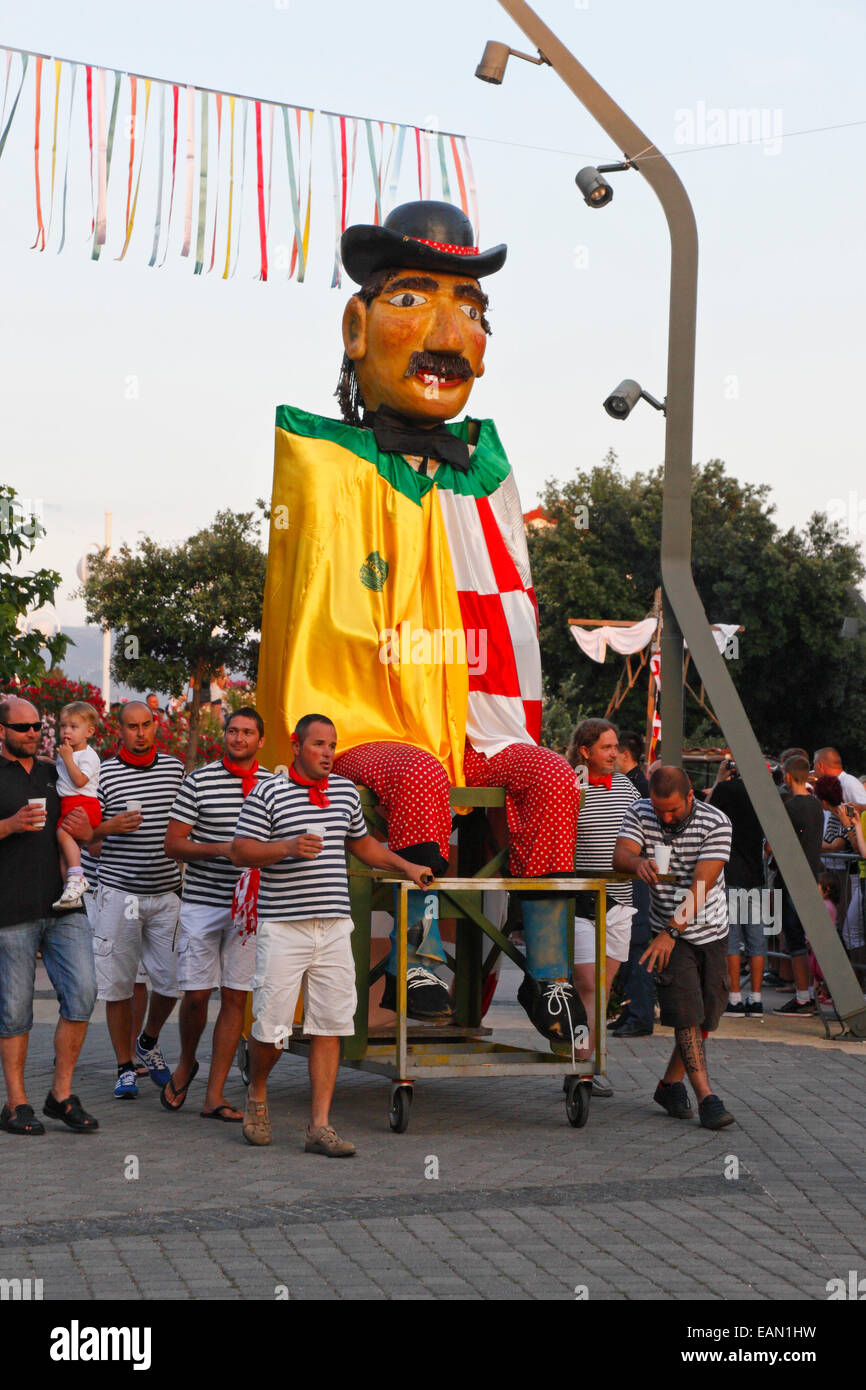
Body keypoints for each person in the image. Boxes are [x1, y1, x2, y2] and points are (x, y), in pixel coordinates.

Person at [257, 200, 584, 1054]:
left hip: (471, 720)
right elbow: (310, 622)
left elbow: (507, 609)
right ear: (356, 328)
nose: (450, 330)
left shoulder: (482, 471)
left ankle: (546, 975)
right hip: (364, 724)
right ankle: (423, 952)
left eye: (471, 310)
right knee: (413, 774)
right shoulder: (324, 464)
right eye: (414, 299)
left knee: (550, 778)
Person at [231, 714, 433, 1154]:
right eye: (319, 744)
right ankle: (258, 1092)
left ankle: (318, 1126)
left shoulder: (343, 791)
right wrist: (286, 847)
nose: (327, 753)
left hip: (335, 927)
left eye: (332, 745)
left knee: (330, 1026)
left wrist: (407, 866)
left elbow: (363, 845)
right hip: (283, 927)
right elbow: (239, 850)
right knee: (271, 1029)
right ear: (296, 745)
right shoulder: (268, 790)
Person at [162, 706, 272, 1120]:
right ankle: (187, 1060)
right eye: (232, 731)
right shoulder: (199, 781)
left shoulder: (272, 785)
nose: (238, 738)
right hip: (203, 903)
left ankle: (215, 1094)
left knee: (235, 997)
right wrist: (222, 850)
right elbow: (173, 844)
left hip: (251, 910)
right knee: (194, 996)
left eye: (247, 732)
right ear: (224, 736)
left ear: (261, 740)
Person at [612, 765, 735, 1130]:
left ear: (691, 796)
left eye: (673, 811)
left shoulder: (716, 821)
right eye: (659, 809)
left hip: (708, 929)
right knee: (686, 1015)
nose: (665, 817)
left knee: (706, 1017)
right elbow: (620, 855)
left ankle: (669, 1085)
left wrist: (671, 931)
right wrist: (638, 862)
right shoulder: (640, 811)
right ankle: (706, 1098)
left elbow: (702, 884)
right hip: (668, 931)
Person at [0, 696, 99, 1135]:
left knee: (83, 994)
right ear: (2, 731)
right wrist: (9, 824)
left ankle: (60, 1095)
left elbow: (88, 840)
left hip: (63, 906)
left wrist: (90, 833)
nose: (34, 734)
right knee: (14, 1011)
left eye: (38, 726)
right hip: (11, 909)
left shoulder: (54, 774)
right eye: (23, 728)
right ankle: (16, 1104)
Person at [89, 701, 184, 1099]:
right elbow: (87, 841)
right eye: (132, 726)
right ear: (120, 730)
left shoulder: (175, 769)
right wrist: (109, 825)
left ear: (155, 726)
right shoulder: (104, 774)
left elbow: (187, 822)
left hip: (165, 893)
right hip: (119, 893)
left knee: (174, 981)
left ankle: (148, 1040)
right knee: (118, 987)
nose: (140, 733)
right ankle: (124, 1065)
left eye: (146, 725)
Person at [566, 718, 639, 1095]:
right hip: (580, 898)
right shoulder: (568, 785)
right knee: (585, 985)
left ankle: (588, 1068)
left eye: (616, 748)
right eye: (608, 748)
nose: (616, 754)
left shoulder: (626, 786)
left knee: (604, 987)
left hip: (620, 901)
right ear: (586, 751)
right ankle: (578, 1063)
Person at [708, 759, 767, 1017]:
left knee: (731, 938)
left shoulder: (724, 790)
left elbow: (707, 812)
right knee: (757, 939)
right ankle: (756, 998)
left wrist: (720, 779)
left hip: (728, 871)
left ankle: (733, 996)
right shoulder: (762, 794)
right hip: (756, 873)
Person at [770, 755, 823, 1017]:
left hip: (792, 878)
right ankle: (809, 993)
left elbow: (778, 844)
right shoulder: (815, 805)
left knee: (794, 940)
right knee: (808, 937)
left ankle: (803, 997)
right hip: (812, 875)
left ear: (788, 776)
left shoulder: (791, 808)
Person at [610, 730, 655, 1038]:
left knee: (637, 944)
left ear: (625, 754)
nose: (611, 757)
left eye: (614, 750)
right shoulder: (635, 785)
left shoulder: (636, 788)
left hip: (637, 875)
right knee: (627, 945)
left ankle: (639, 1014)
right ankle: (630, 1009)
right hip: (631, 874)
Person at [52, 701, 102, 911]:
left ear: (89, 731)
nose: (66, 731)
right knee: (63, 850)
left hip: (83, 804)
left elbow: (79, 781)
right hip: (69, 803)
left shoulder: (88, 755)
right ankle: (69, 892)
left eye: (73, 727)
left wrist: (67, 758)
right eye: (63, 726)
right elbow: (61, 772)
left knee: (63, 835)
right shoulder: (68, 752)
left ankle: (77, 877)